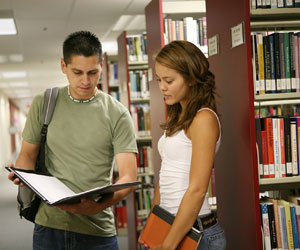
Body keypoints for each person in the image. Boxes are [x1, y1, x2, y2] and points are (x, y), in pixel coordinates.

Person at [8, 30, 138, 250]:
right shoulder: (44, 103)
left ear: (101, 65)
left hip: (98, 230)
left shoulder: (118, 113)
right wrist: (23, 175)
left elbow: (128, 175)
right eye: (77, 72)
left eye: (93, 72)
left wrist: (98, 207)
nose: (85, 81)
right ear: (63, 66)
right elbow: (28, 155)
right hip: (49, 227)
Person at [139, 40, 226, 250]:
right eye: (159, 79)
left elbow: (196, 190)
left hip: (196, 233)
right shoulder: (179, 116)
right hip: (168, 224)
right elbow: (166, 176)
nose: (162, 87)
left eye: (169, 80)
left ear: (191, 78)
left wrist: (168, 245)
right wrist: (153, 224)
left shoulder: (204, 119)